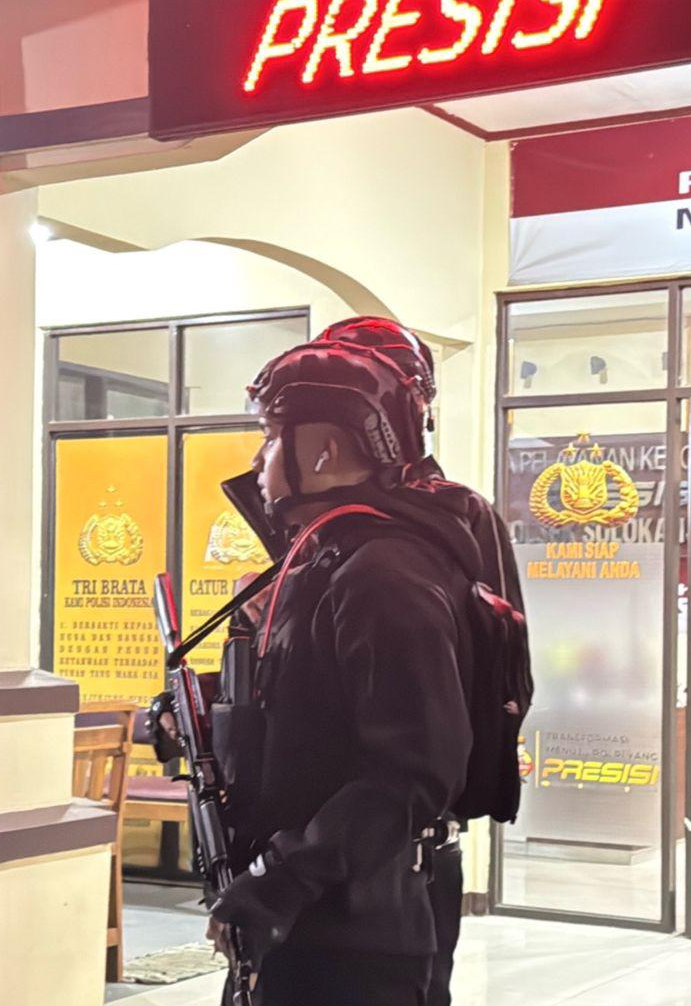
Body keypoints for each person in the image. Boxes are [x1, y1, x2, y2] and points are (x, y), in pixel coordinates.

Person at [197, 337, 485, 1006]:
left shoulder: (382, 571)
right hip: (303, 925)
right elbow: (305, 719)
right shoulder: (326, 560)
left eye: (270, 438)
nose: (257, 459)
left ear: (323, 452)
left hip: (352, 941)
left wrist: (281, 879)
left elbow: (412, 769)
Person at [315, 316, 524, 1006]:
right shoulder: (324, 517)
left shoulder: (451, 519)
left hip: (398, 838)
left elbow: (494, 673)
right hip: (317, 836)